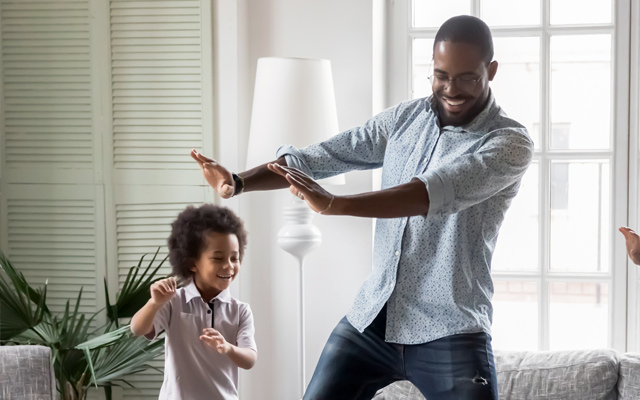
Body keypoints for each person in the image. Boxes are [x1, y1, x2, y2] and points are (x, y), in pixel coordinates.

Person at [192, 15, 532, 400]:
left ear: (491, 70)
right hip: (372, 319)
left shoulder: (508, 143)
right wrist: (237, 182)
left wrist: (336, 204)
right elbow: (323, 156)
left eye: (467, 77)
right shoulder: (406, 118)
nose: (451, 89)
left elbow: (431, 192)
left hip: (449, 328)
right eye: (440, 76)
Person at [130, 204, 257, 400]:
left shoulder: (240, 311)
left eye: (235, 258)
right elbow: (137, 329)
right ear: (192, 263)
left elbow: (250, 359)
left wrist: (227, 347)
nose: (229, 266)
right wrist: (154, 303)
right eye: (218, 257)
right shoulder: (173, 302)